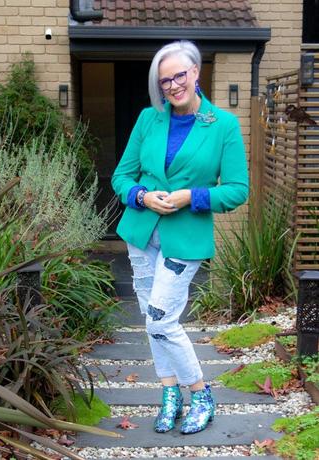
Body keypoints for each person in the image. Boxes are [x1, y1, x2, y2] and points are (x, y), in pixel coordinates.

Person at [111, 40, 249, 435]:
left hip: (185, 238)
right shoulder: (148, 119)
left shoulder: (222, 125)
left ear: (195, 73)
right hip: (141, 233)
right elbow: (122, 177)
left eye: (179, 76)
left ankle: (200, 392)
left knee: (160, 319)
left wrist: (193, 196)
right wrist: (141, 195)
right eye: (164, 80)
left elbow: (238, 189)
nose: (172, 86)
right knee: (151, 320)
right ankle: (169, 392)